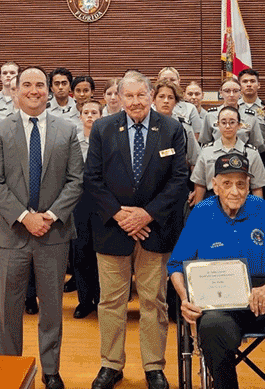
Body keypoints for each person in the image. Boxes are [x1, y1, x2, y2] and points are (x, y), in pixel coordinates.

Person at [84, 70, 189, 389]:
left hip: (155, 231)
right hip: (112, 229)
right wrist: (120, 215)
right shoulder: (103, 127)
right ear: (119, 97)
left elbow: (179, 179)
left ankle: (154, 366)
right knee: (111, 302)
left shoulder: (171, 128)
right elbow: (92, 178)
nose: (135, 102)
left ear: (151, 94)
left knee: (153, 302)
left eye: (140, 95)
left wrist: (146, 214)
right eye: (128, 96)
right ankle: (111, 364)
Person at [170, 153, 265, 389]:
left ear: (248, 187)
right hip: (219, 303)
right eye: (227, 183)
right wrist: (185, 299)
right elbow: (175, 265)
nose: (235, 191)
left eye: (241, 184)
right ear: (215, 185)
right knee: (212, 328)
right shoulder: (202, 212)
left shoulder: (259, 208)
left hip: (263, 294)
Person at [0, 66, 84, 389]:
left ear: (49, 90)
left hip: (53, 233)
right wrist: (25, 216)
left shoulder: (67, 130)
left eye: (39, 84)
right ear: (16, 89)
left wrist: (50, 216)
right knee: (9, 308)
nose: (34, 90)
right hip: (10, 233)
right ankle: (11, 370)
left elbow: (75, 181)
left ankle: (51, 370)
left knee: (52, 307)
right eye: (26, 84)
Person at [190, 106, 265, 205]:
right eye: (223, 122)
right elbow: (200, 185)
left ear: (239, 125)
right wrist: (198, 212)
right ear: (218, 125)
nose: (227, 126)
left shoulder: (251, 153)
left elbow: (257, 187)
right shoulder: (206, 152)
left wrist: (258, 212)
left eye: (232, 122)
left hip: (242, 201)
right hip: (212, 201)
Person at [71, 98, 102, 319]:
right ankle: (84, 300)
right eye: (86, 112)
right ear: (80, 116)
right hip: (79, 202)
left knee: (101, 253)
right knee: (80, 252)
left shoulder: (107, 141)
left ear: (101, 117)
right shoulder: (72, 143)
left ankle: (101, 300)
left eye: (94, 112)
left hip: (102, 203)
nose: (90, 116)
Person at [199, 78, 264, 152]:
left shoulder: (250, 117)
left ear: (240, 93)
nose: (231, 95)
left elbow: (256, 144)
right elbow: (205, 143)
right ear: (221, 93)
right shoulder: (210, 115)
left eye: (235, 91)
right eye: (227, 91)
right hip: (216, 158)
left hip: (243, 157)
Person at [151, 78, 198, 167]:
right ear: (153, 100)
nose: (166, 101)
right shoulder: (145, 125)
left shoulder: (184, 126)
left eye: (170, 97)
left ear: (176, 102)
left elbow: (194, 160)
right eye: (161, 96)